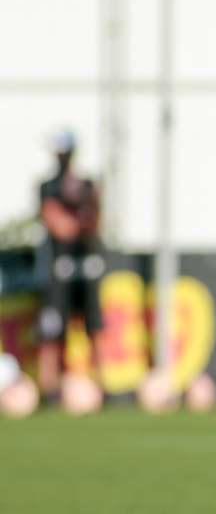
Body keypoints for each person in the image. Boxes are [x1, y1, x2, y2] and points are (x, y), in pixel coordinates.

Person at [36, 130, 106, 401]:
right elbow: (60, 225)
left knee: (94, 327)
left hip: (87, 267)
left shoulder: (86, 185)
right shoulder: (48, 186)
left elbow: (96, 220)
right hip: (58, 269)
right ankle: (49, 388)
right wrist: (78, 220)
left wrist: (87, 212)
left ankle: (100, 387)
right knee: (52, 330)